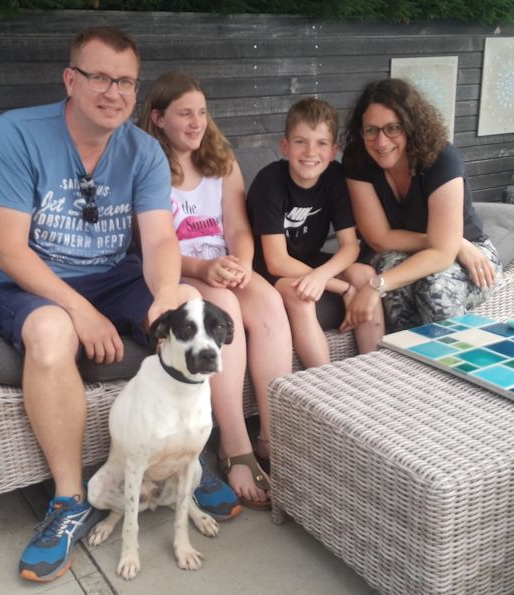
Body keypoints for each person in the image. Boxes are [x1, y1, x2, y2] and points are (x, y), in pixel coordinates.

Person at [0, 27, 203, 583]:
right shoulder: (16, 134)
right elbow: (8, 249)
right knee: (53, 335)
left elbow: (160, 240)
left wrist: (166, 299)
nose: (113, 92)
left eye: (125, 82)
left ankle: (184, 461)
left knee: (190, 306)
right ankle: (69, 501)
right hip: (28, 282)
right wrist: (80, 310)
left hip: (115, 278)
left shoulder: (143, 149)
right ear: (70, 80)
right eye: (99, 77)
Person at [139, 71, 293, 511]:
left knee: (268, 302)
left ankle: (273, 433)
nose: (196, 123)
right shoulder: (149, 168)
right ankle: (235, 444)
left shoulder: (220, 160)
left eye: (202, 113)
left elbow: (239, 228)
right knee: (221, 308)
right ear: (158, 118)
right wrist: (205, 267)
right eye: (184, 114)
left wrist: (242, 264)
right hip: (183, 272)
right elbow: (154, 245)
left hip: (225, 265)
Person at [341, 78, 502, 333]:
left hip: (474, 254)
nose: (381, 142)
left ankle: (458, 354)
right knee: (396, 290)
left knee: (435, 289)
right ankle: (408, 356)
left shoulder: (441, 159)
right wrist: (454, 243)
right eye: (371, 130)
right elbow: (380, 238)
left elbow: (442, 254)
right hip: (412, 250)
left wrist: (376, 285)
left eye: (392, 128)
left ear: (411, 126)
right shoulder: (358, 158)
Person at [247, 97, 384, 368]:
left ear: (333, 151)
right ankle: (325, 381)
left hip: (309, 260)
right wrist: (341, 287)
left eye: (321, 143)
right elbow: (276, 261)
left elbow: (350, 246)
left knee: (365, 275)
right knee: (301, 295)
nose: (311, 152)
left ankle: (375, 370)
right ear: (285, 146)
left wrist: (322, 276)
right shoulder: (270, 182)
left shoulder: (335, 177)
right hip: (265, 268)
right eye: (301, 141)